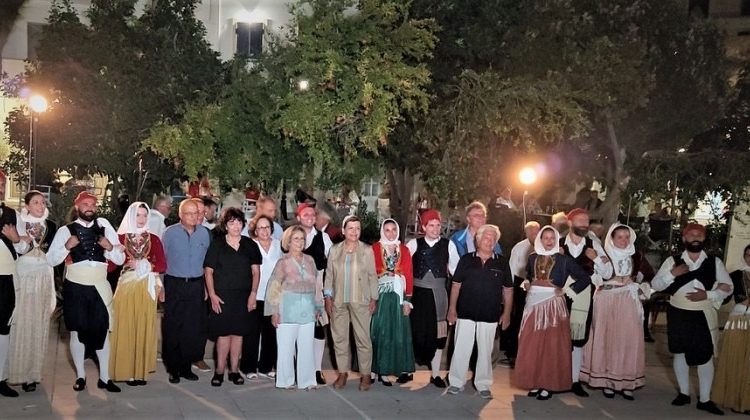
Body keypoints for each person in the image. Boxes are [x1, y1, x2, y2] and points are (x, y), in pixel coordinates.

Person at [47, 191, 125, 392]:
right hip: (75, 287)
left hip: (99, 286)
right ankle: (81, 376)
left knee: (103, 331)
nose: (89, 207)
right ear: (77, 207)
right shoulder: (65, 231)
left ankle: (105, 378)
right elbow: (51, 259)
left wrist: (109, 247)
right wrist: (67, 246)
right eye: (85, 204)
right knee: (76, 331)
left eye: (92, 204)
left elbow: (120, 259)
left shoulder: (105, 227)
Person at [652, 223, 733, 416]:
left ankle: (705, 400)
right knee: (680, 353)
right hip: (678, 312)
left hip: (703, 314)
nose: (695, 237)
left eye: (699, 235)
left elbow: (728, 286)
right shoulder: (673, 261)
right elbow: (656, 284)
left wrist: (708, 295)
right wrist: (673, 274)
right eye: (691, 234)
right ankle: (684, 394)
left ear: (704, 239)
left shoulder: (714, 262)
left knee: (705, 356)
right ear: (684, 238)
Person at [513, 226, 592, 400]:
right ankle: (534, 381)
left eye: (552, 238)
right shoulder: (532, 257)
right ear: (540, 240)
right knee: (532, 344)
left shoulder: (564, 260)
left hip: (553, 306)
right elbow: (529, 275)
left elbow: (585, 278)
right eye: (545, 238)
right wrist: (527, 282)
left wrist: (567, 290)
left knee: (551, 346)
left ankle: (547, 384)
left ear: (556, 240)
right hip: (533, 305)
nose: (549, 241)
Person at [579, 224, 654, 400]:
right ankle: (607, 381)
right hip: (607, 299)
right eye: (619, 237)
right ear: (611, 239)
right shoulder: (603, 255)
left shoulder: (636, 256)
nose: (624, 240)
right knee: (608, 338)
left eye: (627, 236)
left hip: (628, 300)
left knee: (628, 339)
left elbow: (650, 277)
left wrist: (639, 286)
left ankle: (626, 382)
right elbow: (591, 276)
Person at [446, 224, 512, 399]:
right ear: (478, 239)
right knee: (461, 348)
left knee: (485, 351)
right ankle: (456, 382)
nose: (489, 241)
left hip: (490, 314)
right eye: (486, 237)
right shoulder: (466, 260)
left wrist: (506, 314)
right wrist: (452, 309)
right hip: (465, 312)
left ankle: (483, 384)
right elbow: (456, 285)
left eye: (492, 239)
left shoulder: (502, 262)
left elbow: (508, 290)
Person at [109, 202, 167, 386]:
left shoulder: (154, 239)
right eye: (138, 215)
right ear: (130, 216)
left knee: (143, 325)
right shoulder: (120, 238)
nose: (141, 219)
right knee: (125, 325)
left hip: (146, 287)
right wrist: (112, 252)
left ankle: (140, 371)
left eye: (144, 215)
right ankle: (125, 370)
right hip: (126, 287)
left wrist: (144, 265)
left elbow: (162, 264)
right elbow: (111, 266)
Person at [204, 207, 262, 386]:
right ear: (225, 225)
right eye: (231, 222)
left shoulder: (250, 245)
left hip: (243, 297)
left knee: (238, 334)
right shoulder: (217, 244)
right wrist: (212, 295)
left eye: (239, 222)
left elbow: (256, 272)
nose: (236, 226)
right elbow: (208, 272)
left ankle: (234, 370)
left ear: (243, 224)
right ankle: (219, 371)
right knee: (223, 335)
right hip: (222, 296)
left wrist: (253, 294)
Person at [558, 208, 612, 397]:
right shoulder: (558, 243)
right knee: (557, 337)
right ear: (570, 222)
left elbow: (608, 273)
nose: (584, 224)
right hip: (559, 294)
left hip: (583, 295)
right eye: (580, 220)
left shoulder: (594, 245)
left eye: (586, 221)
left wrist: (596, 258)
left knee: (578, 339)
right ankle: (555, 378)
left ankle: (574, 380)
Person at [323, 216, 378, 391]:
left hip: (360, 300)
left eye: (357, 228)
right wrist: (328, 298)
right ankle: (342, 373)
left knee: (363, 339)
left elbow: (372, 276)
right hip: (338, 300)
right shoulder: (334, 250)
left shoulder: (367, 250)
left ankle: (366, 374)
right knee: (339, 339)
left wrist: (374, 298)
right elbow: (329, 275)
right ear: (343, 231)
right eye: (351, 228)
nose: (354, 232)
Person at [265, 226, 323, 390]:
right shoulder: (282, 262)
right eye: (296, 239)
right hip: (287, 310)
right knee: (286, 348)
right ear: (288, 242)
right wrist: (274, 311)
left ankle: (307, 381)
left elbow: (317, 285)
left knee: (307, 347)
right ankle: (285, 381)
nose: (300, 242)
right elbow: (274, 287)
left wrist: (318, 306)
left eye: (302, 239)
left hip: (308, 309)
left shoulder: (310, 260)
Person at [161, 199, 211, 384]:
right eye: (188, 213)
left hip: (196, 285)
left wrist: (206, 287)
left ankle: (186, 367)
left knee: (192, 328)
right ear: (180, 215)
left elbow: (207, 263)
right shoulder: (170, 233)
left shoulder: (204, 233)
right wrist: (161, 286)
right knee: (173, 327)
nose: (193, 216)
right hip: (174, 284)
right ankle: (173, 369)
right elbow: (161, 261)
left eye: (196, 213)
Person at [406, 209, 450, 388]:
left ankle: (436, 374)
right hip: (417, 295)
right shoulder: (413, 244)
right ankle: (407, 371)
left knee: (439, 333)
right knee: (413, 332)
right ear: (423, 227)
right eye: (431, 225)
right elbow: (404, 269)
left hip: (438, 295)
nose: (435, 229)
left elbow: (456, 270)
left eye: (438, 225)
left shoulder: (448, 245)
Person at [370, 219, 415, 386]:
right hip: (379, 296)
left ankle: (385, 371)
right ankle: (372, 370)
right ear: (382, 231)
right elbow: (369, 273)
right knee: (378, 333)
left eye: (393, 230)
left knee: (394, 334)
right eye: (387, 230)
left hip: (397, 297)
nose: (391, 233)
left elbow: (409, 274)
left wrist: (407, 301)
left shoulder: (404, 250)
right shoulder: (374, 248)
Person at [1, 184, 33, 397]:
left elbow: (25, 247)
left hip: (5, 279)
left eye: (2, 184)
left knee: (3, 330)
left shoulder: (12, 215)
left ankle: (0, 378)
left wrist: (16, 239)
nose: (0, 188)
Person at [241, 215, 282, 380]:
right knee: (252, 333)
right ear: (255, 230)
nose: (264, 231)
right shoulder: (250, 245)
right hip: (255, 294)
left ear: (271, 229)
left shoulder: (279, 245)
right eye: (260, 228)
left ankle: (266, 366)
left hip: (273, 297)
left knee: (270, 333)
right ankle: (248, 367)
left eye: (267, 227)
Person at [296, 203, 333, 384]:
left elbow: (332, 261)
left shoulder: (323, 237)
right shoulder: (292, 235)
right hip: (295, 287)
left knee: (318, 328)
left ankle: (317, 369)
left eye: (312, 215)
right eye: (306, 215)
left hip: (317, 286)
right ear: (298, 218)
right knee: (296, 328)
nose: (310, 217)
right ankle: (299, 368)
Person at [712, 244, 750, 414]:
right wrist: (713, 293)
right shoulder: (736, 275)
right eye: (748, 255)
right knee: (736, 360)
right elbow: (724, 297)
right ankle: (734, 399)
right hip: (738, 320)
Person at [501, 221, 541, 367]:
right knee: (518, 318)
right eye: (530, 231)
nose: (533, 234)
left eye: (536, 231)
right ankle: (513, 353)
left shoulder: (544, 245)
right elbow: (512, 268)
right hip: (520, 285)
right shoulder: (519, 247)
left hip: (538, 285)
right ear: (526, 233)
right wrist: (509, 290)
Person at [448, 202, 501, 274]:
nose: (480, 218)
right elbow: (453, 268)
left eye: (483, 215)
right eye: (476, 215)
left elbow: (499, 264)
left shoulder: (492, 239)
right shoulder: (457, 240)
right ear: (468, 219)